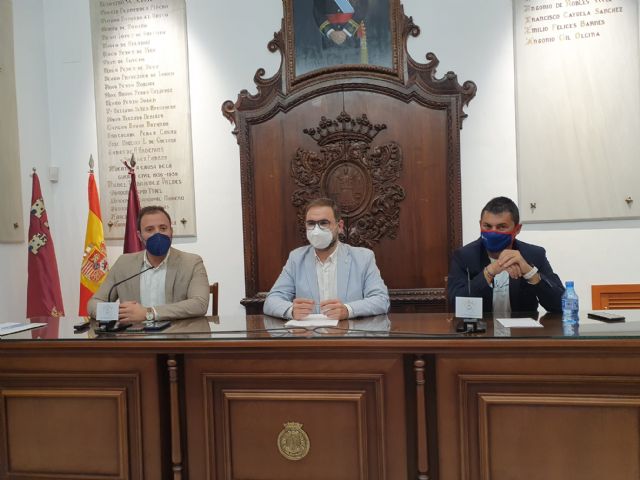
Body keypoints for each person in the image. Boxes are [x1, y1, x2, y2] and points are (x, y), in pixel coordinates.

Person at [264, 197, 389, 320]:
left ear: (339, 226)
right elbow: (271, 301)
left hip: (347, 331)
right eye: (311, 223)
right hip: (309, 332)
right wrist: (291, 310)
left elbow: (381, 300)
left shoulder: (363, 258)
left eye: (323, 223)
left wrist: (347, 310)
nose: (316, 231)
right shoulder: (296, 258)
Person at [88, 206, 209, 322]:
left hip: (176, 334)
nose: (158, 234)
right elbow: (93, 303)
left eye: (163, 228)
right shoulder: (123, 263)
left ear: (171, 231)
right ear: (140, 236)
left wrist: (148, 313)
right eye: (149, 229)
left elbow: (199, 304)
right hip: (134, 334)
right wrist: (121, 313)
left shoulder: (191, 263)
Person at [447, 196, 564, 313]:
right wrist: (488, 273)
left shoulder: (533, 254)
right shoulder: (464, 256)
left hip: (521, 325)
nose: (493, 232)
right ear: (480, 224)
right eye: (487, 226)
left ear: (517, 229)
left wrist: (530, 273)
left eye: (501, 227)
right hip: (483, 324)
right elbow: (456, 305)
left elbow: (562, 305)